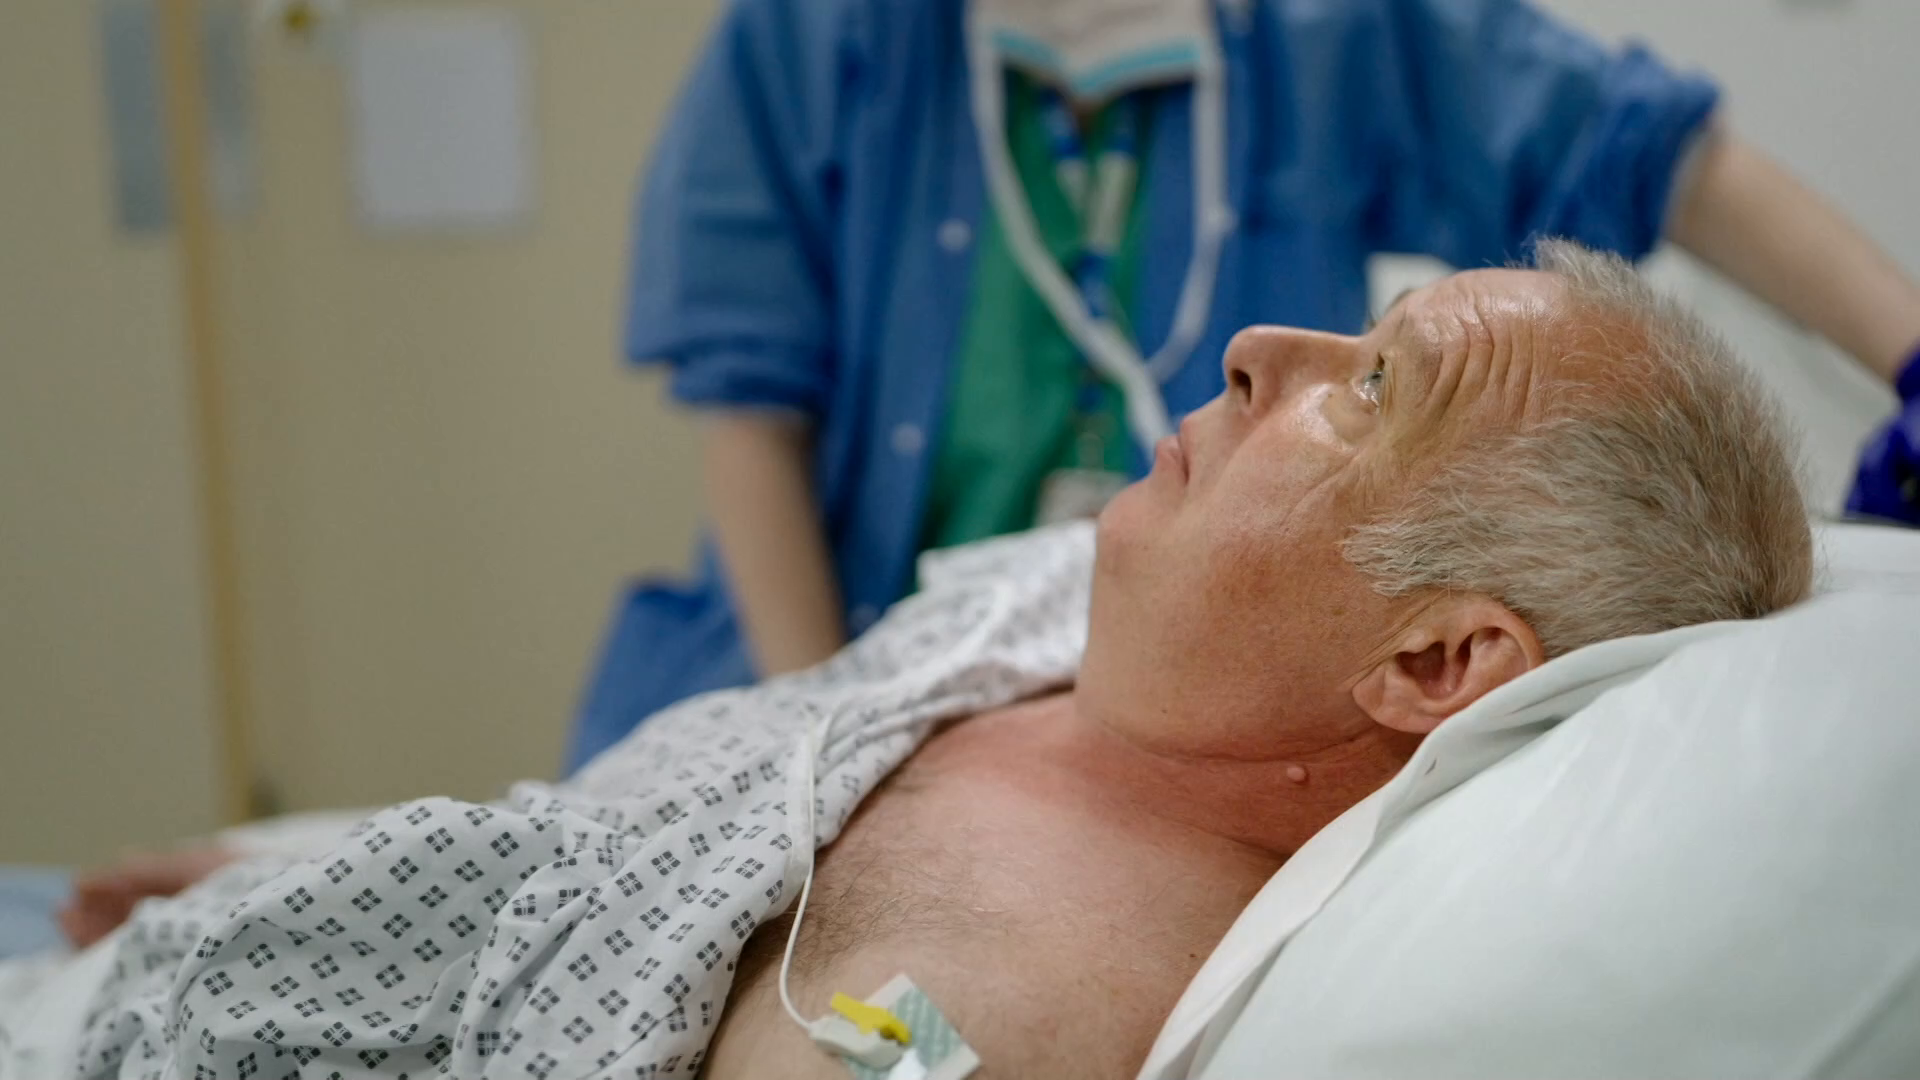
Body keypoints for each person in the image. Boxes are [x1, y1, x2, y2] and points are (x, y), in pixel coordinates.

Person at [12, 244, 1812, 1078]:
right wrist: (299, 877)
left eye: (1377, 389)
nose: (1263, 346)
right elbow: (634, 841)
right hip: (150, 958)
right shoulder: (1048, 642)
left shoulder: (1015, 991)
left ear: (1436, 664)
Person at [572, 0, 1920, 769]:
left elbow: (1662, 154)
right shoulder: (816, 36)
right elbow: (748, 412)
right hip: (823, 655)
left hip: (1158, 701)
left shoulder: (1336, 33)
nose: (1257, 355)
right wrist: (825, 743)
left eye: (1380, 374)